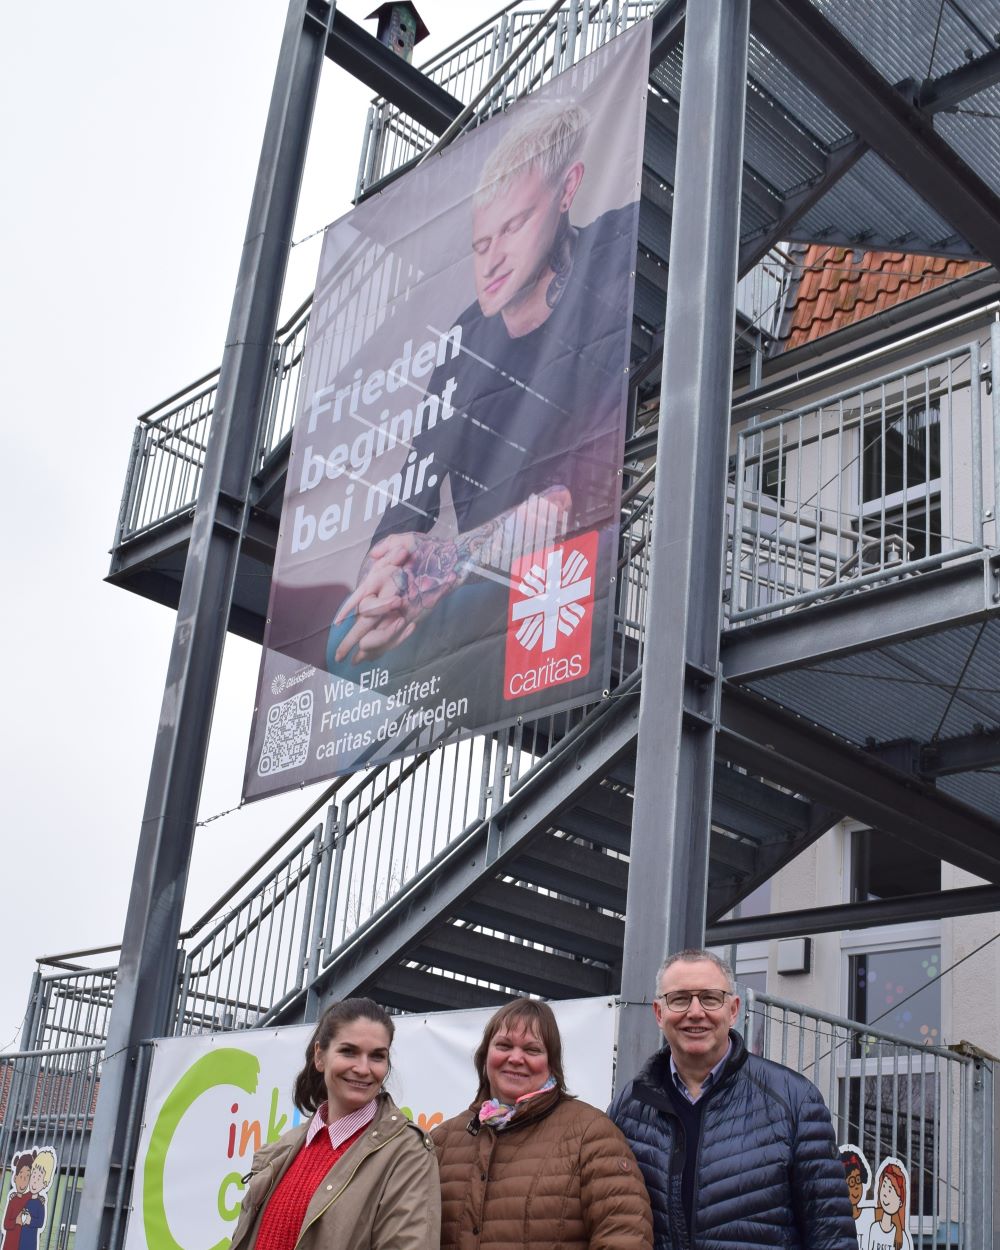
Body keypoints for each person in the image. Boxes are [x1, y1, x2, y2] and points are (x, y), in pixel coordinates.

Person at [331, 99, 636, 673]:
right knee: (341, 639)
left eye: (515, 225)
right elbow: (413, 488)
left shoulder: (616, 253)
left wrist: (446, 561)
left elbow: (572, 499)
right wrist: (388, 569)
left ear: (568, 191)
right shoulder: (464, 338)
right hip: (482, 575)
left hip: (557, 570)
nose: (492, 261)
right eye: (480, 243)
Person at [608, 949, 857, 1250]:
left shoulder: (795, 1101)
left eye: (710, 998)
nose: (695, 1012)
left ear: (734, 1010)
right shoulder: (628, 1107)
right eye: (679, 999)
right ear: (659, 1013)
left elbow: (831, 1234)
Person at [434, 997, 653, 1250]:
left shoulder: (592, 1136)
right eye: (504, 1045)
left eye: (532, 1050)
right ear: (485, 1056)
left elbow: (625, 1238)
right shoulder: (442, 1141)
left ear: (551, 1063)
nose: (516, 1058)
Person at [229, 997, 440, 1250]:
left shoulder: (408, 1153)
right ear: (320, 1057)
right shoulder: (285, 1147)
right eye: (348, 1051)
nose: (363, 1068)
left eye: (376, 1056)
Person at [866, 1162, 911, 1250]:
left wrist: (899, 1230)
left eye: (890, 1190)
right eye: (884, 1186)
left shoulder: (902, 1239)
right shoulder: (874, 1228)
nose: (885, 1194)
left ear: (900, 1202)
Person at [16, 1149, 54, 1250]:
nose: (34, 1181)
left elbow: (40, 1222)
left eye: (39, 1178)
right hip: (19, 1238)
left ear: (45, 1183)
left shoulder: (40, 1204)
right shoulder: (24, 1199)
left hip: (30, 1240)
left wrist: (30, 1220)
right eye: (34, 1176)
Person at [841, 1147, 874, 1250]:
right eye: (851, 1182)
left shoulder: (870, 1214)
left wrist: (899, 1229)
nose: (856, 1186)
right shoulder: (837, 1219)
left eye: (858, 1180)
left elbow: (891, 1215)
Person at [1, 1153, 33, 1250]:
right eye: (21, 1175)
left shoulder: (28, 1197)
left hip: (22, 1243)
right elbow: (6, 1223)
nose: (23, 1180)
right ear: (15, 1178)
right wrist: (16, 1221)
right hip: (10, 1243)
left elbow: (34, 1194)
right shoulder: (12, 1201)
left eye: (27, 1176)